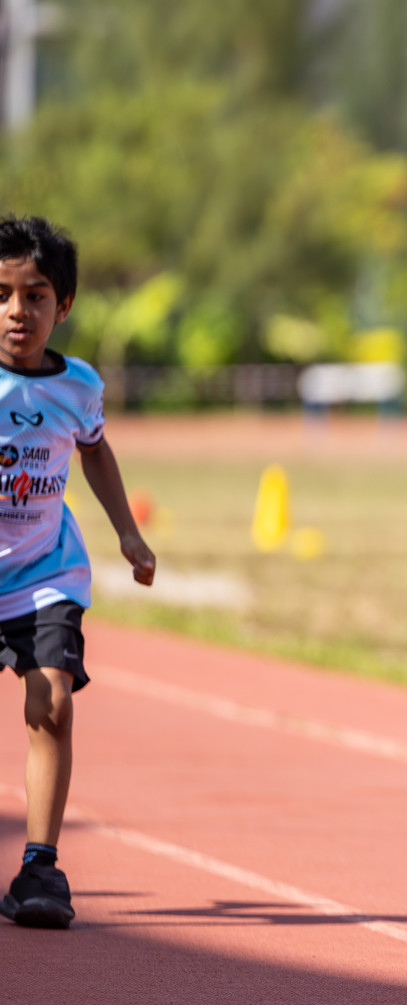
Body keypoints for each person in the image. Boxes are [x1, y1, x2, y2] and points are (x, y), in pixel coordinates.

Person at [0, 216, 156, 929]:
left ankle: (39, 867)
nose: (17, 311)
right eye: (2, 294)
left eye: (35, 295)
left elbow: (94, 449)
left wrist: (128, 531)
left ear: (61, 306)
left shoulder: (79, 385)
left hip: (46, 570)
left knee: (52, 703)